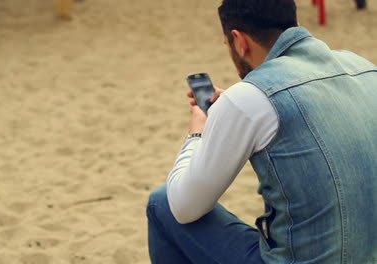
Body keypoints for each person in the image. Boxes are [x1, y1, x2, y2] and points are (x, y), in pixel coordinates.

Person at [146, 0, 377, 263]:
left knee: (161, 203)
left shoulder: (250, 97)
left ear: (239, 41)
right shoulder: (364, 68)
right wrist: (233, 111)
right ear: (294, 25)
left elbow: (184, 207)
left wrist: (197, 135)